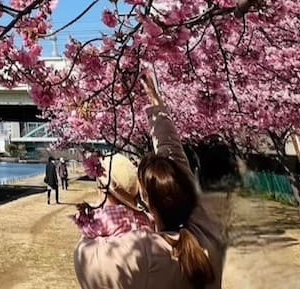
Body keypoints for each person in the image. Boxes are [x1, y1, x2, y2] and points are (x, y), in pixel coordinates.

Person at [74, 73, 226, 289]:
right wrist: (155, 103)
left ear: (145, 199)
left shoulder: (143, 252)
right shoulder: (206, 231)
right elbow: (174, 155)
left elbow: (86, 257)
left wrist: (110, 203)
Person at [74, 152, 152, 238]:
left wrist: (81, 222)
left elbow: (89, 231)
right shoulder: (143, 217)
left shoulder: (106, 216)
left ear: (104, 189)